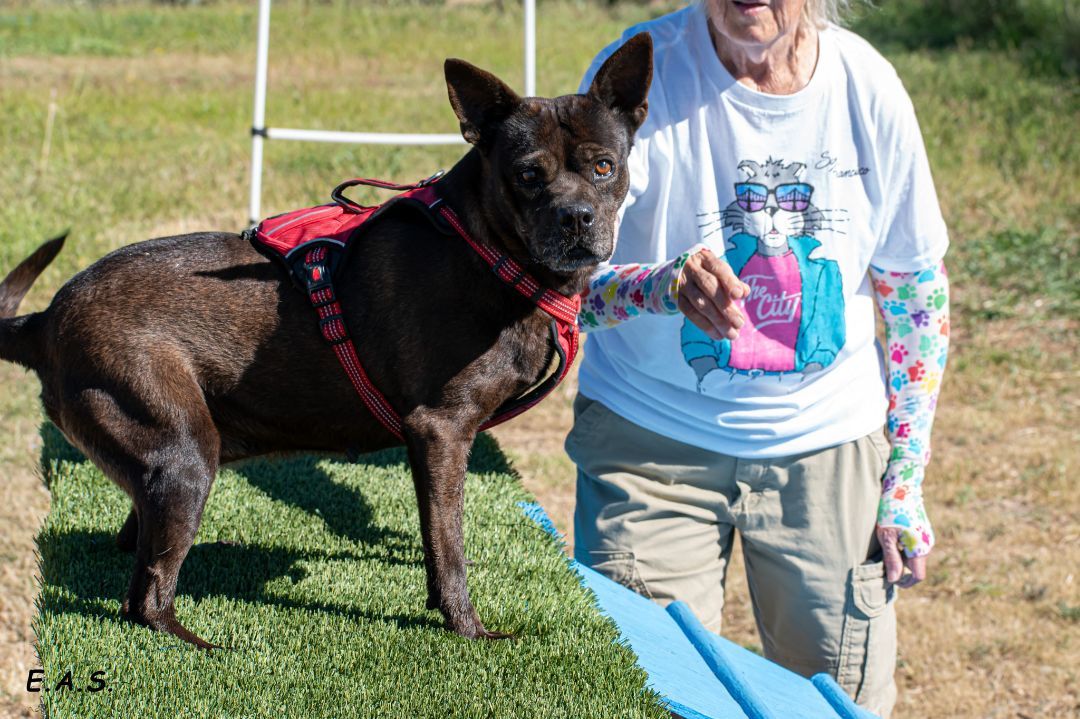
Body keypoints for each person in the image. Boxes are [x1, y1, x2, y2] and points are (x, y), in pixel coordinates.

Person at [569, 1, 951, 715]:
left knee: (836, 702)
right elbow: (565, 286)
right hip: (652, 446)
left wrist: (904, 478)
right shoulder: (638, 74)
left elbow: (915, 297)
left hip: (826, 449)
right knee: (648, 696)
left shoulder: (867, 86)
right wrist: (663, 285)